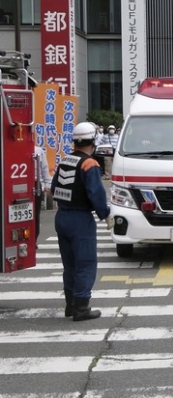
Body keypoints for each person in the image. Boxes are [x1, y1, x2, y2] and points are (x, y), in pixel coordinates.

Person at [51, 122, 112, 322]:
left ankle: (70, 305)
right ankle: (81, 308)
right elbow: (96, 193)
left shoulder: (65, 160)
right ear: (93, 141)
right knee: (85, 263)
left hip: (62, 217)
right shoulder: (89, 164)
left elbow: (54, 188)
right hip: (80, 219)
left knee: (69, 265)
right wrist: (105, 214)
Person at [33, 145, 51, 243]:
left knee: (35, 214)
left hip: (36, 184)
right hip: (22, 182)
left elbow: (44, 168)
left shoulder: (38, 150)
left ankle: (34, 239)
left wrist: (47, 184)